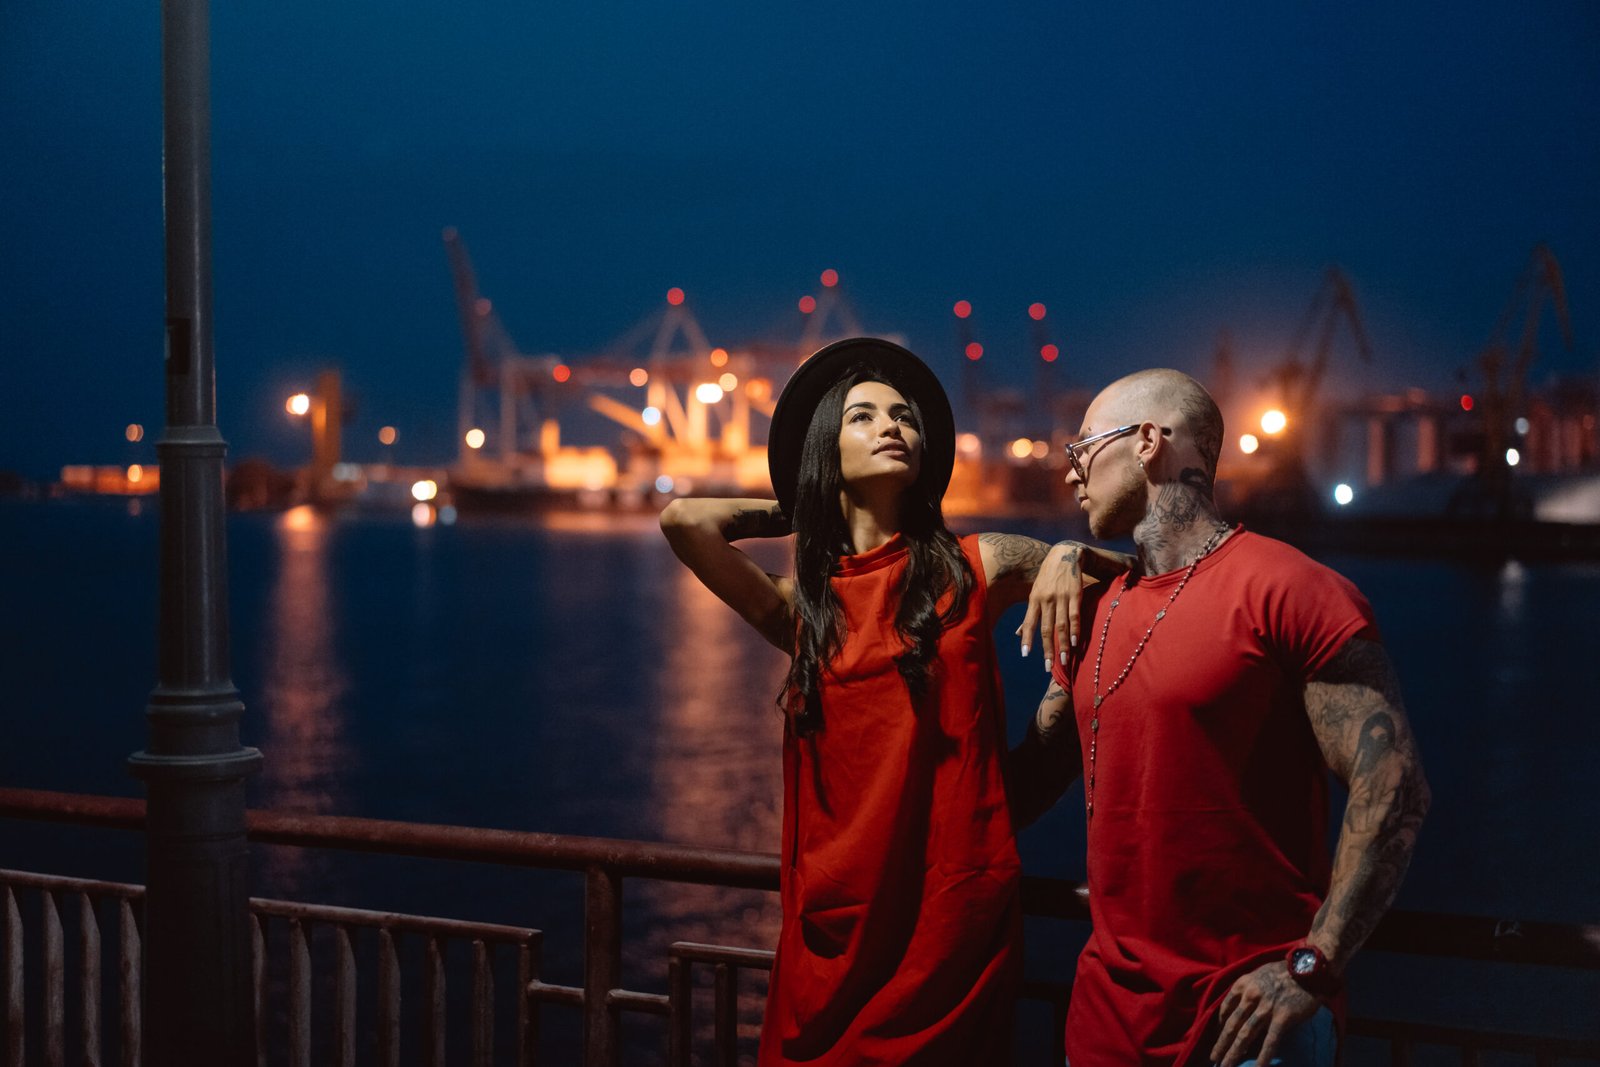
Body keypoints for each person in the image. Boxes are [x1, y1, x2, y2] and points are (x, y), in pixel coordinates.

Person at [659, 337, 1117, 1065]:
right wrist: (799, 502)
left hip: (950, 933)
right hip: (833, 936)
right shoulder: (803, 610)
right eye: (863, 417)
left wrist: (1068, 555)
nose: (893, 425)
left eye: (903, 415)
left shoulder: (979, 564)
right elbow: (686, 520)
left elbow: (1132, 586)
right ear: (825, 448)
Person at [1017, 368, 1431, 1067]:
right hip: (1104, 1026)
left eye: (1081, 446)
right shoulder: (1091, 613)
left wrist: (1313, 965)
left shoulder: (1290, 590)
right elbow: (1019, 787)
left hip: (1250, 1026)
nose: (1070, 471)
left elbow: (1393, 789)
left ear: (1147, 441)